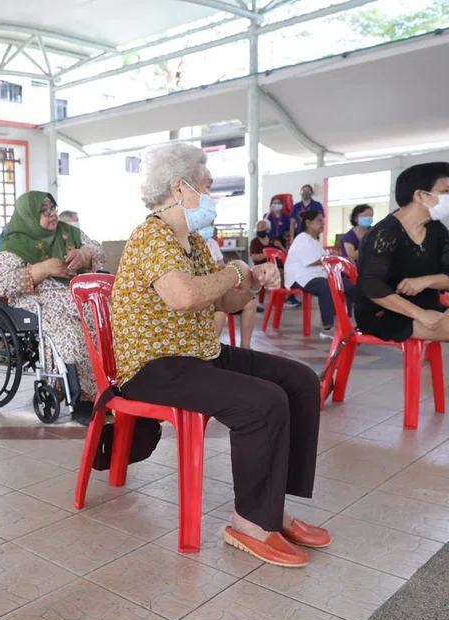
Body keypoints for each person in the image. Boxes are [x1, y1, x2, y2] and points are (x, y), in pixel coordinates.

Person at [111, 142, 328, 568]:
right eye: (207, 186)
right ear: (179, 187)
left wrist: (251, 283)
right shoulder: (151, 235)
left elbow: (223, 303)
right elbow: (183, 297)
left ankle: (273, 507)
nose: (212, 197)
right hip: (153, 366)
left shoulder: (189, 240)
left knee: (300, 381)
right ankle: (249, 522)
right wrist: (234, 271)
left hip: (194, 354)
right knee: (262, 403)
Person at [0, 192, 105, 425]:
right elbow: (1, 283)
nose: (52, 214)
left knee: (103, 323)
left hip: (71, 294)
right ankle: (82, 397)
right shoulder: (16, 243)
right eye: (44, 211)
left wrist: (84, 255)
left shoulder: (68, 232)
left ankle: (107, 389)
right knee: (73, 337)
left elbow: (97, 250)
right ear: (29, 215)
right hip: (36, 299)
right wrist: (42, 269)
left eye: (52, 208)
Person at [355, 162, 449, 344]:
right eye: (445, 191)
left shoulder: (437, 231)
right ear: (420, 195)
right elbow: (372, 286)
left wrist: (426, 281)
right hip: (385, 312)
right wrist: (420, 315)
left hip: (426, 305)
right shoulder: (385, 233)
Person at [285, 210, 353, 339]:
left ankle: (346, 322)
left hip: (316, 275)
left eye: (323, 220)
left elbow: (323, 260)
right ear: (308, 223)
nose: (323, 223)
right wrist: (332, 257)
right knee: (326, 287)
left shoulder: (315, 242)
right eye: (319, 220)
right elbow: (313, 261)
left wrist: (333, 258)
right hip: (300, 276)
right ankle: (327, 327)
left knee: (347, 284)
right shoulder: (302, 239)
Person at [203, 227, 258, 349]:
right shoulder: (185, 243)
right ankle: (211, 349)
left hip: (218, 284)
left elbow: (221, 264)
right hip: (203, 290)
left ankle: (245, 348)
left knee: (251, 303)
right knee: (220, 308)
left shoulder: (212, 243)